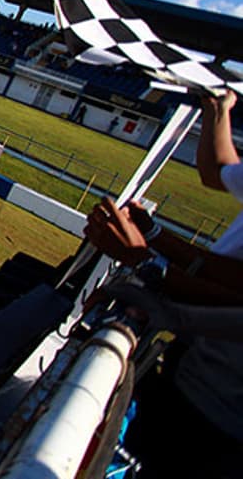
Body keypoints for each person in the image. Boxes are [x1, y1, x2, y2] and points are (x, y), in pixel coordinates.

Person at [84, 90, 243, 478]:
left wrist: (150, 265)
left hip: (219, 423)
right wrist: (154, 235)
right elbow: (219, 168)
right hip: (189, 373)